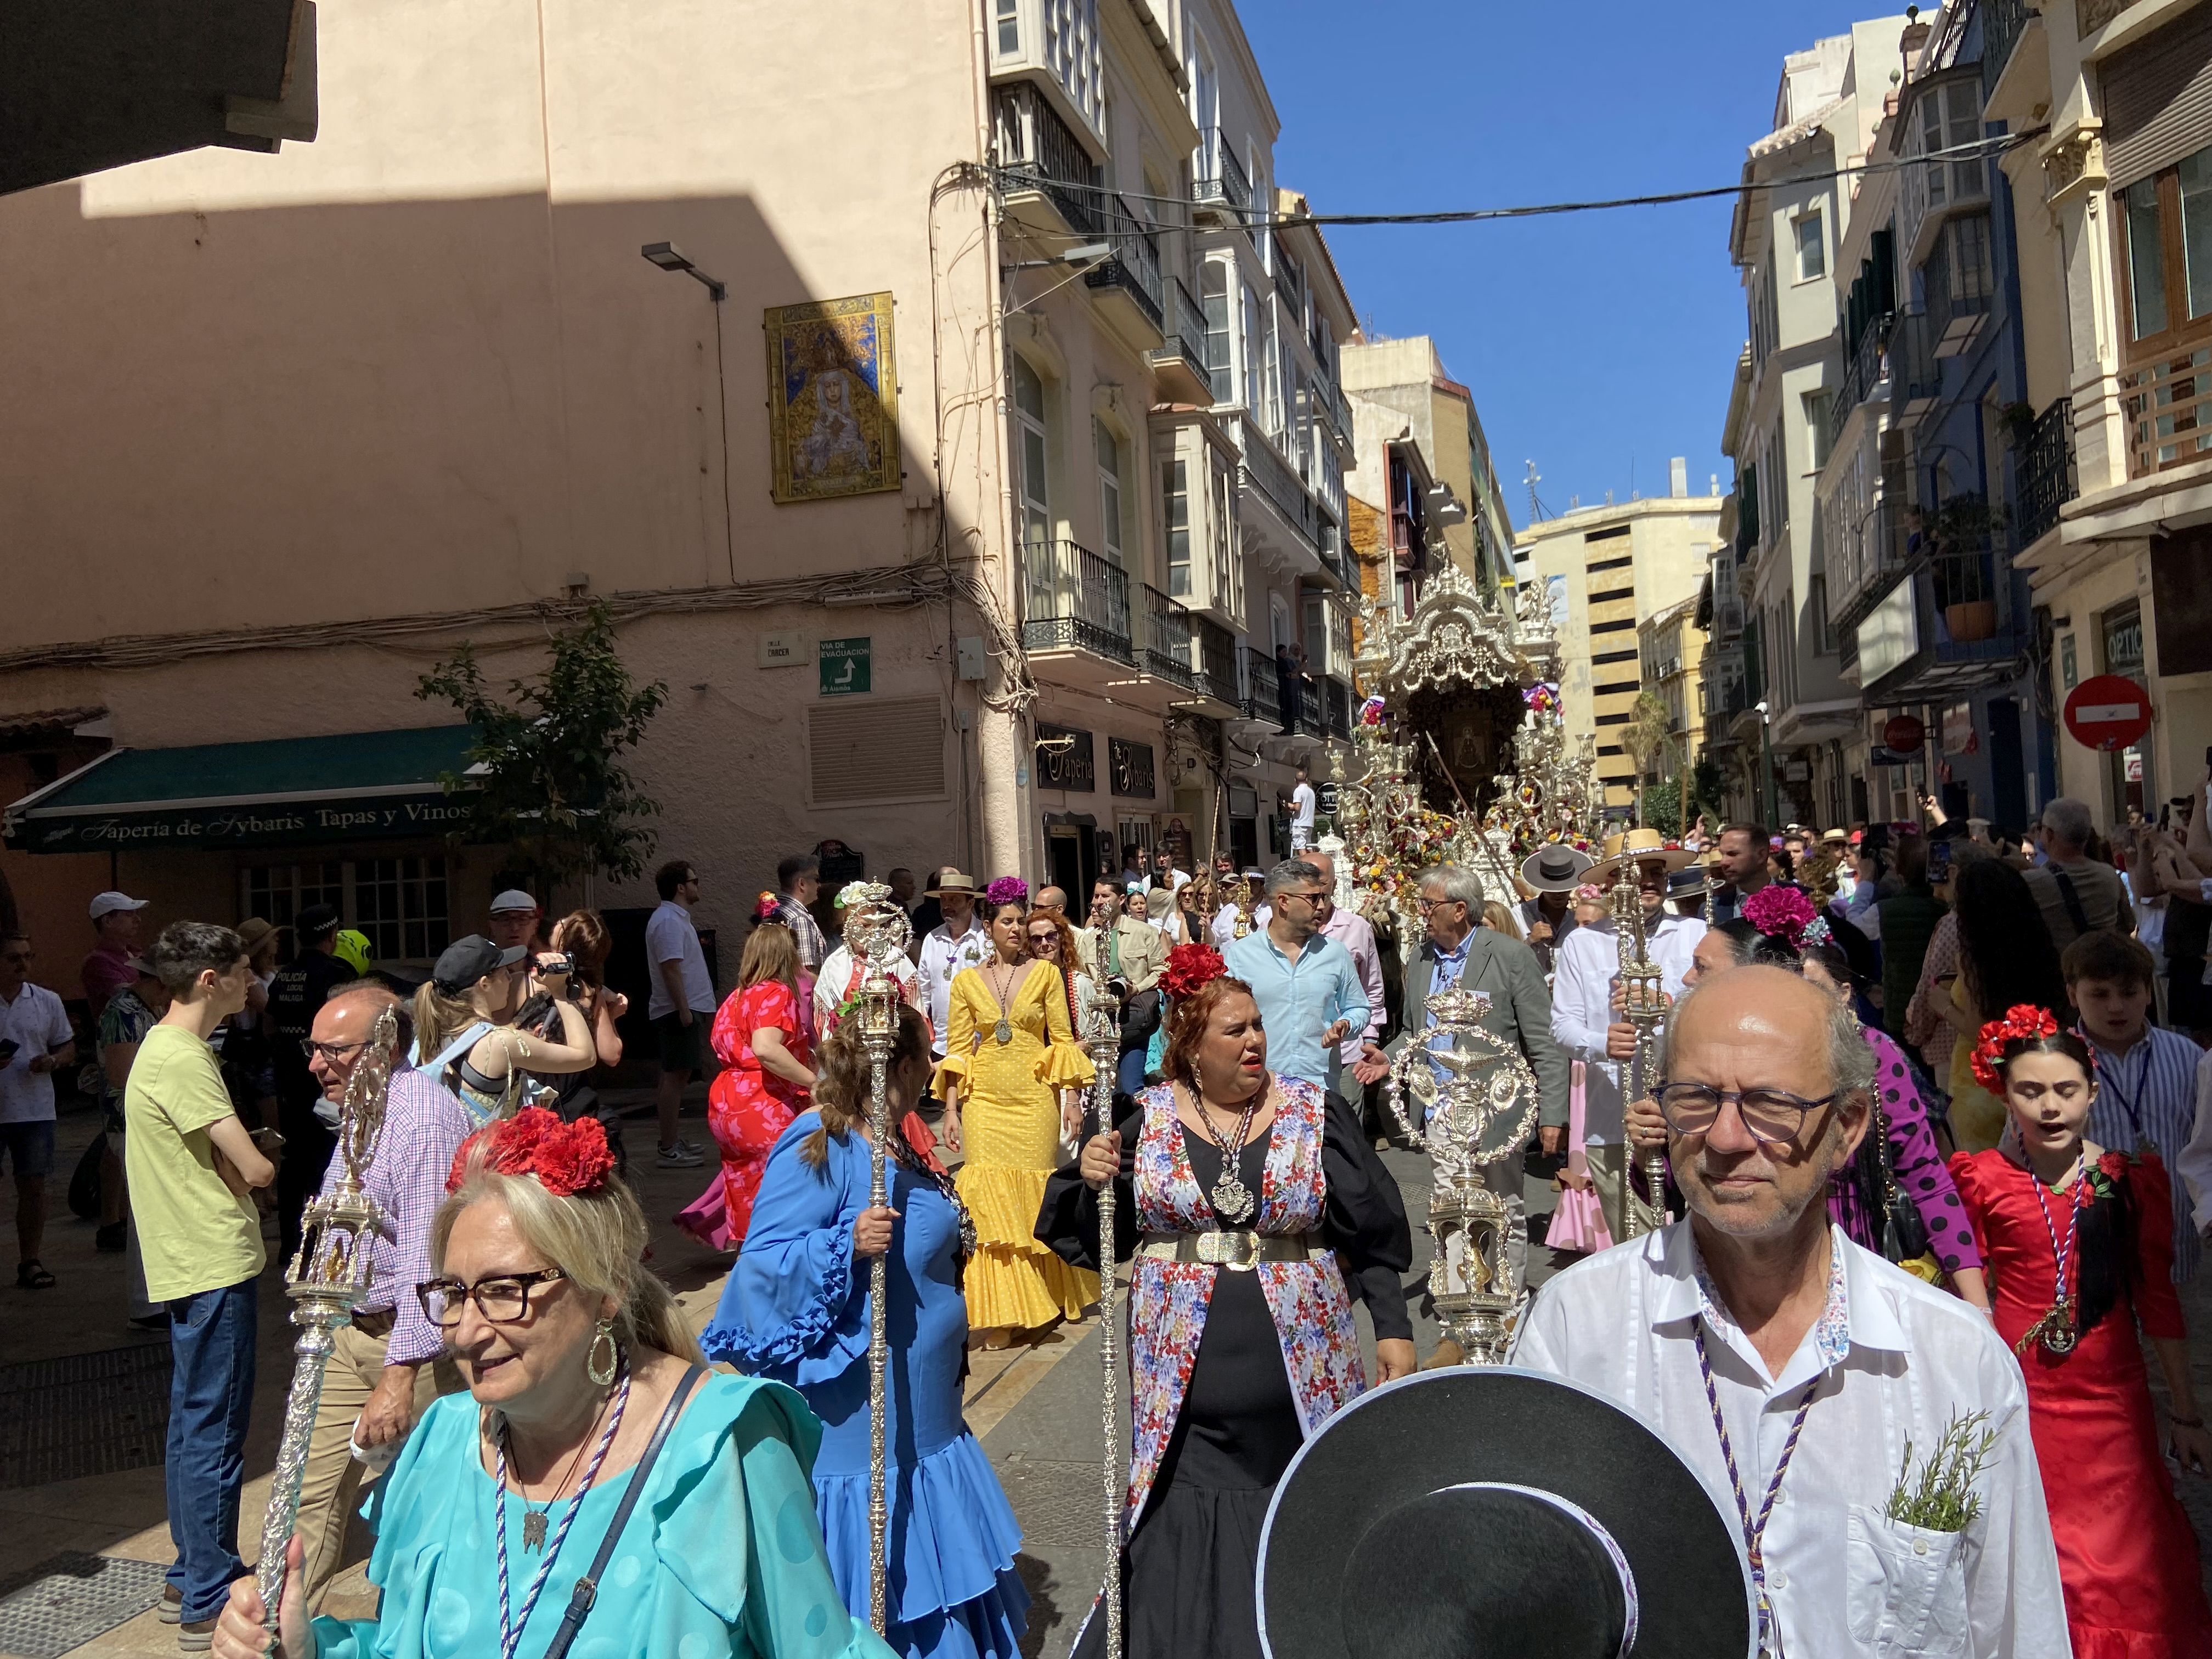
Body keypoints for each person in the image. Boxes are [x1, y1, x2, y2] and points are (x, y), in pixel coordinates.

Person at [1513, 966, 2068, 1658]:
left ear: (1847, 1127)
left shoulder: (1952, 1359)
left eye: (1770, 1103)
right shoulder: (1580, 1329)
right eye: (1695, 1097)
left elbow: (2019, 1631)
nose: (1724, 1138)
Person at [210, 1108, 895, 1659]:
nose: (467, 1331)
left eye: (505, 1291)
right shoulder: (442, 1447)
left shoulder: (721, 1447)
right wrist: (308, 1650)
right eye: (452, 1293)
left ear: (605, 1292)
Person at [1040, 949, 1414, 1659]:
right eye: (1233, 1032)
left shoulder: (1313, 1113)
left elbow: (1370, 1226)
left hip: (1302, 1385)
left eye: (1258, 1028)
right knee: (1181, 1557)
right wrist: (1094, 1179)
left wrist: (1392, 1327)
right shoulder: (1142, 1121)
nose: (1253, 1042)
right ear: (1189, 1047)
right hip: (1182, 1402)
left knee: (1304, 1522)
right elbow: (1099, 1238)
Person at [707, 1008, 1026, 1659]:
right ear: (901, 1067)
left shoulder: (896, 1137)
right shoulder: (817, 1141)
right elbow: (759, 1269)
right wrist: (843, 1245)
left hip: (929, 1419)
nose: (935, 1071)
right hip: (863, 1420)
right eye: (926, 1059)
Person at [1947, 1008, 2212, 1656]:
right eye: (2030, 1091)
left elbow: (2157, 1300)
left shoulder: (2127, 1180)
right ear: (2004, 1095)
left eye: (2065, 1090)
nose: (2049, 1107)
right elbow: (1968, 1294)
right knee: (2045, 1546)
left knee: (2131, 1549)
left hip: (2112, 1397)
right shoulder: (1983, 1181)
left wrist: (2185, 1412)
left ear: (2092, 1091)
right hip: (2023, 1394)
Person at [1635, 906, 1990, 1308]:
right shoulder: (1696, 1060)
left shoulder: (1868, 1054)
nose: (1687, 978)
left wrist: (1978, 1306)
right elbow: (1678, 1190)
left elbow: (1927, 1180)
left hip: (1852, 1267)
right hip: (1722, 1278)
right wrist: (1650, 1147)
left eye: (1702, 967)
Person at [289, 981, 473, 1612]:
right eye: (313, 1049)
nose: (318, 1065)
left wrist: (399, 1375)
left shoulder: (422, 1119)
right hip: (351, 1329)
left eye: (335, 1051)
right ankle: (283, 1639)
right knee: (303, 1496)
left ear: (387, 1046)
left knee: (417, 1517)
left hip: (414, 1350)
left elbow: (430, 1261)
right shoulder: (364, 1107)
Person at [127, 922, 278, 1646]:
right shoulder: (184, 1056)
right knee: (213, 1431)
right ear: (210, 980)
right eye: (246, 971)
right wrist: (269, 1160)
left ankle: (191, 1573)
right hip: (212, 1261)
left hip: (190, 1260)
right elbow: (250, 1169)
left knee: (193, 1427)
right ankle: (209, 1591)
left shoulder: (164, 1049)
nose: (255, 982)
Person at [1374, 864, 1568, 1289]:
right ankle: (1462, 1308)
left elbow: (1544, 1043)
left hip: (1494, 1109)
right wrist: (1387, 1059)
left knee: (1502, 1209)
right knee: (1452, 1209)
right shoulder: (1421, 958)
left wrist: (1552, 1114)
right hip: (1439, 1108)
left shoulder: (1509, 956)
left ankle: (1508, 1304)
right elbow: (1413, 1031)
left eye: (1429, 904)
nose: (1421, 912)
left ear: (1459, 909)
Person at [933, 878, 1096, 1341]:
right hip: (983, 1098)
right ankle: (1003, 1312)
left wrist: (1070, 1097)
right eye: (1007, 922)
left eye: (1021, 921)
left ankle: (1051, 1293)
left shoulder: (1045, 974)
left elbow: (1062, 1040)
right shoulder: (966, 982)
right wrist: (950, 1110)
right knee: (988, 1202)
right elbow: (960, 1049)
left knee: (1036, 1194)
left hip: (1033, 1097)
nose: (1018, 930)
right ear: (988, 927)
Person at [1550, 831, 1706, 1239]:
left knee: (1702, 1232)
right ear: (1610, 884)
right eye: (1635, 873)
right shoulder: (1582, 944)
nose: (1648, 882)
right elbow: (1562, 1025)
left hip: (1689, 1110)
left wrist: (1675, 1003)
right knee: (1634, 1240)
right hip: (1614, 1116)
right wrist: (1601, 1043)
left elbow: (1722, 1006)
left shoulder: (1694, 933)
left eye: (1656, 872)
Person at [2063, 930, 2203, 1285]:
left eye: (2129, 993)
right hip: (2089, 1240)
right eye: (2099, 994)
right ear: (2072, 995)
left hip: (2177, 1243)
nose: (2115, 1007)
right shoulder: (2053, 1062)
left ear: (2148, 992)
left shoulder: (2188, 1058)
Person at [703, 917, 816, 1250]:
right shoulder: (777, 993)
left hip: (726, 1104)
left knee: (743, 1190)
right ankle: (774, 1267)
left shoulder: (735, 997)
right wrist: (815, 1083)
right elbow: (766, 1049)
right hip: (762, 1102)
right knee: (780, 1194)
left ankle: (747, 1263)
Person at [1947, 858, 2070, 1153]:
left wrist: (1942, 1005)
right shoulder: (2040, 948)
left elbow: (1981, 1030)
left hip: (1981, 1079)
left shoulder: (1974, 958)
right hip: (2033, 1065)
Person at [409, 935, 597, 1125]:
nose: (511, 978)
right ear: (484, 984)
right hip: (491, 1153)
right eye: (505, 972)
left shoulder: (431, 1038)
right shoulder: (500, 1043)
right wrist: (560, 990)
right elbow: (585, 1056)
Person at [1221, 859, 1368, 1091]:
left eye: (1324, 897)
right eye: (1313, 899)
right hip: (1260, 1088)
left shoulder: (1335, 953)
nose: (1321, 906)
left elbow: (1359, 1008)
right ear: (1284, 902)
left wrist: (1346, 1024)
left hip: (1320, 1088)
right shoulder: (1240, 956)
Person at [267, 902, 360, 1265]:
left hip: (289, 1079)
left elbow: (269, 1027)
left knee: (293, 1163)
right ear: (333, 936)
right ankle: (323, 1247)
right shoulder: (337, 973)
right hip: (327, 1081)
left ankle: (290, 1245)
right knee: (327, 1162)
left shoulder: (284, 975)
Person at [0, 932, 75, 1290]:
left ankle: (30, 1260)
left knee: (33, 1186)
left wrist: (54, 1061)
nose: (22, 965)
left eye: (28, 957)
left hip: (33, 1108)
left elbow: (68, 1047)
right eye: (13, 958)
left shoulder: (46, 1001)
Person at [97, 954, 168, 1313]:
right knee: (147, 1214)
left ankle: (156, 1302)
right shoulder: (123, 1011)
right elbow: (122, 1075)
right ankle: (146, 1306)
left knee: (153, 1211)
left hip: (145, 1122)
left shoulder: (144, 1008)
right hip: (130, 1124)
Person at [1902, 839, 1994, 1082]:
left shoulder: (1953, 924)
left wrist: (1915, 1031)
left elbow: (1930, 985)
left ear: (1952, 873)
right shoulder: (1999, 917)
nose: (1933, 887)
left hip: (1953, 1047)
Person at [646, 860, 715, 1167]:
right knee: (675, 1077)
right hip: (677, 1011)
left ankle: (672, 1139)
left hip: (684, 1009)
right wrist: (684, 1009)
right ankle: (668, 1147)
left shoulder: (675, 919)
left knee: (677, 1076)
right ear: (680, 887)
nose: (698, 886)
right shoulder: (668, 921)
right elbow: (670, 969)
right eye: (694, 881)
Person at [1076, 875, 1167, 1097]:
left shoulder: (1144, 932)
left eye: (1105, 896)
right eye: (1096, 896)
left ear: (1121, 900)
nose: (1099, 901)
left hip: (1135, 1018)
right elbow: (1081, 977)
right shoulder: (1089, 940)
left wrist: (1135, 988)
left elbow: (1161, 970)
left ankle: (1138, 1129)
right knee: (1103, 1090)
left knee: (1131, 1086)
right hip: (1101, 1022)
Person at [1305, 850, 1384, 1086]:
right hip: (1298, 1058)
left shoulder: (1357, 928)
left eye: (1322, 883)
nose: (1316, 892)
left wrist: (1370, 1038)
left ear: (1335, 885)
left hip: (1348, 1054)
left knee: (1345, 1122)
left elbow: (1372, 986)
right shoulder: (1281, 933)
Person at [2020, 796, 2134, 951]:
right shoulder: (2110, 876)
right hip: (2101, 968)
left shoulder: (2032, 883)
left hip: (2060, 969)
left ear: (2049, 834)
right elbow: (2128, 925)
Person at [916, 872, 992, 1071]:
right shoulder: (932, 939)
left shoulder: (985, 940)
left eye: (954, 900)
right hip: (940, 1041)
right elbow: (923, 992)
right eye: (944, 900)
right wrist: (924, 1037)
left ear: (970, 904)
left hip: (978, 1041)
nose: (947, 905)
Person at [1515, 843, 1592, 975]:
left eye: (1564, 889)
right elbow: (1506, 960)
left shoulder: (1584, 916)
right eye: (1552, 890)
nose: (1558, 894)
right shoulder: (1519, 915)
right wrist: (1530, 941)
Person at [82, 889, 150, 1023]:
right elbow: (128, 996)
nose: (138, 920)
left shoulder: (137, 953)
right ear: (108, 921)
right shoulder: (98, 962)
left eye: (136, 914)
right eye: (129, 914)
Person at [1705, 822, 1771, 926]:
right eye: (1723, 854)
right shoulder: (1712, 909)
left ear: (1761, 855)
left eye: (1733, 854)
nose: (1723, 862)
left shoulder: (1801, 899)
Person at [776, 853, 831, 975]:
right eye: (817, 879)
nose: (819, 885)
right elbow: (805, 973)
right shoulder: (799, 918)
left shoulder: (774, 910)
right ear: (802, 884)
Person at [487, 888, 547, 956]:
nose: (514, 928)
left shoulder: (546, 964)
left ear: (535, 925)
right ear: (492, 925)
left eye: (522, 920)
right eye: (506, 920)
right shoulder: (481, 964)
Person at [1285, 761, 1317, 853]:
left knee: (1300, 845)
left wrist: (1289, 805)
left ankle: (1305, 865)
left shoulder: (1298, 791)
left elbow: (1298, 807)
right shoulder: (1311, 792)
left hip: (1300, 822)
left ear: (1295, 780)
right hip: (1309, 822)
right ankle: (1313, 864)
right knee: (1308, 845)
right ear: (1306, 779)